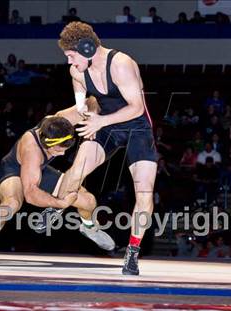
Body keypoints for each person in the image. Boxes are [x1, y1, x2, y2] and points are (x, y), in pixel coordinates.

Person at [55, 22, 158, 275]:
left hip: (136, 127)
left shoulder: (121, 63)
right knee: (79, 165)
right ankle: (56, 206)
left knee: (144, 193)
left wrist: (100, 120)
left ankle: (132, 252)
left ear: (86, 48)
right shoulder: (77, 72)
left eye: (71, 56)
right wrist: (83, 111)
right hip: (107, 124)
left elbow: (136, 107)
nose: (70, 62)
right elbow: (81, 99)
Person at [0, 112, 115, 269]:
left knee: (88, 201)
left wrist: (96, 114)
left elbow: (88, 104)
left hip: (40, 170)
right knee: (11, 204)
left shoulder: (58, 122)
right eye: (59, 149)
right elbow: (30, 194)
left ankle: (89, 227)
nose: (62, 153)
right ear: (48, 142)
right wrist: (60, 204)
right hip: (13, 169)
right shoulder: (32, 151)